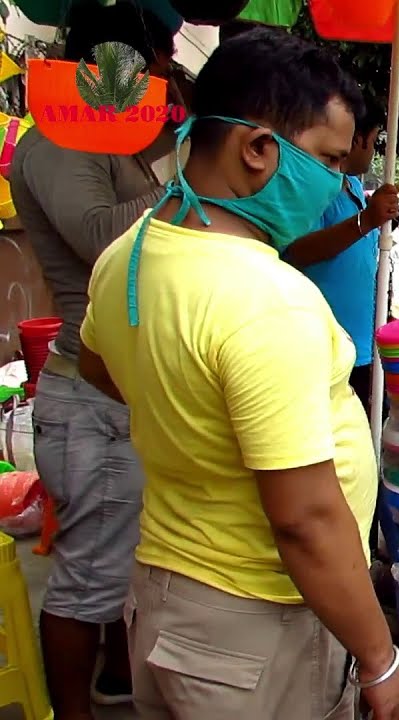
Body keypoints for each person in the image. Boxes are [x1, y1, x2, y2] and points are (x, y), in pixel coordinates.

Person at [75, 28, 399, 719]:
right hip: (255, 627)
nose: (335, 184)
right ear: (259, 150)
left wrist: (196, 422)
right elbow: (307, 522)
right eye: (325, 161)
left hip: (168, 598)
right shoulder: (265, 299)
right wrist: (378, 658)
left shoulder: (128, 256)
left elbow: (100, 367)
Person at [7, 5, 176, 716]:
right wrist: (185, 173)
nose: (166, 74)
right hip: (92, 393)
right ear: (112, 69)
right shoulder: (53, 145)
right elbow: (105, 236)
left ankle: (110, 679)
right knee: (84, 581)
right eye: (157, 60)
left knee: (110, 567)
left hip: (116, 389)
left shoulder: (113, 138)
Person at [288, 92, 399, 417]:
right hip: (322, 350)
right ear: (359, 137)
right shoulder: (316, 189)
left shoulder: (353, 188)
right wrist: (366, 221)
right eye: (375, 140)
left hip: (362, 348)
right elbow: (296, 251)